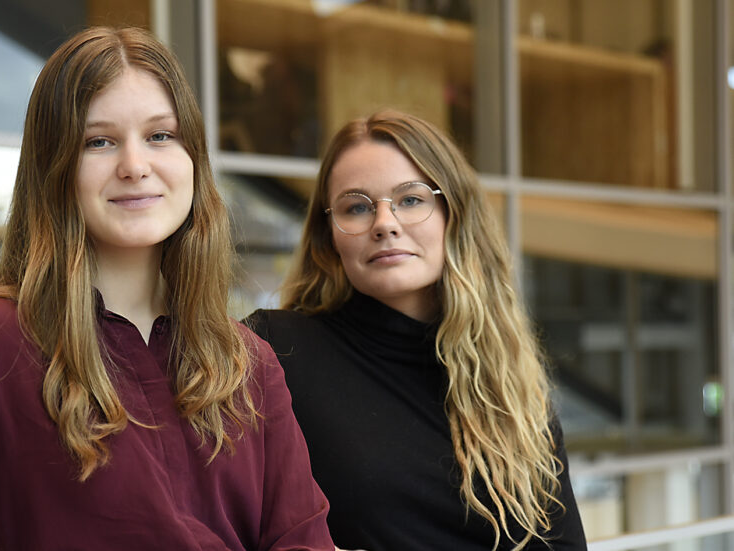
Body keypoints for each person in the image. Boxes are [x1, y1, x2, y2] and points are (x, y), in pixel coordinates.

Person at [0, 26, 333, 551]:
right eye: (98, 141)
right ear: (54, 169)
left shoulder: (248, 362)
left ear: (193, 158)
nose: (135, 166)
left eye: (160, 136)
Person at [245, 110, 587, 550]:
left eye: (410, 199)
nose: (385, 224)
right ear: (330, 236)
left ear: (453, 215)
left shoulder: (510, 386)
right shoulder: (275, 351)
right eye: (356, 207)